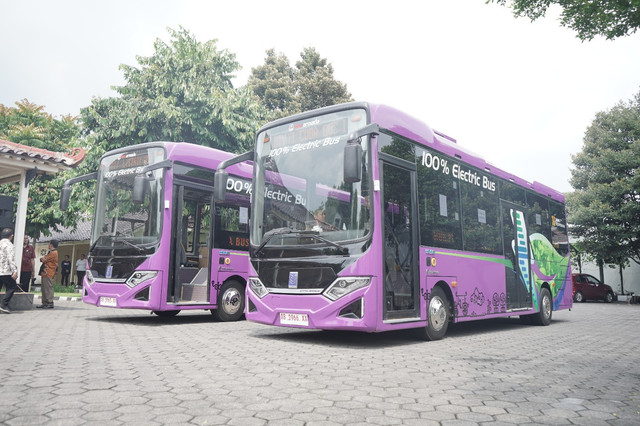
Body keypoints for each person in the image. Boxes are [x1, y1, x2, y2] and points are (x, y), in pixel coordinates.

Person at [0, 228, 19, 314]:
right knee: (12, 286)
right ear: (11, 236)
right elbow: (11, 258)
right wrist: (14, 270)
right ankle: (3, 305)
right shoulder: (9, 245)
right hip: (5, 270)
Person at [38, 240, 58, 309]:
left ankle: (49, 302)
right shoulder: (51, 252)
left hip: (49, 272)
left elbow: (43, 259)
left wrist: (42, 258)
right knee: (44, 288)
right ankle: (44, 302)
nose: (48, 245)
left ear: (51, 245)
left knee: (48, 288)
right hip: (45, 272)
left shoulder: (54, 253)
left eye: (49, 244)